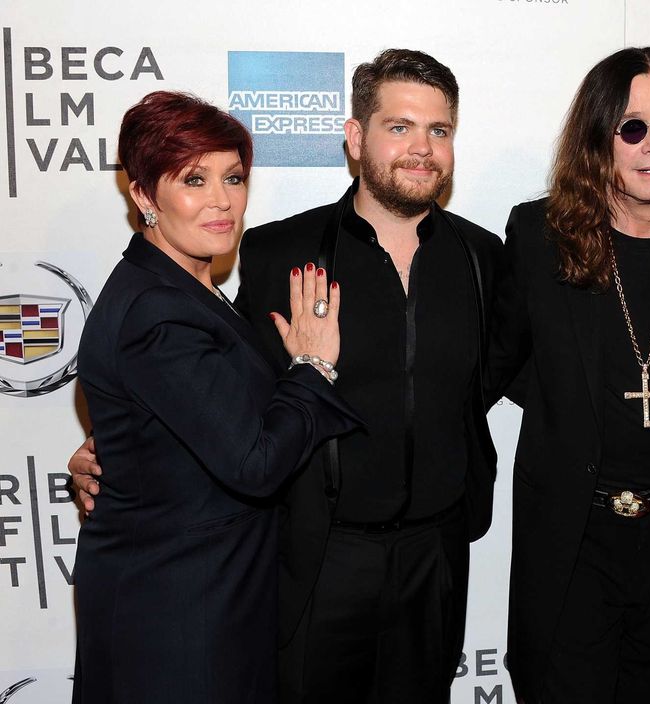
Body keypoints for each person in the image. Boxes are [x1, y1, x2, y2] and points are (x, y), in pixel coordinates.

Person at [71, 50, 502, 704]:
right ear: (356, 138)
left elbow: (511, 376)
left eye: (438, 131)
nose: (421, 148)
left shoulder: (482, 259)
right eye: (399, 127)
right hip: (312, 561)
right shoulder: (277, 253)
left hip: (434, 563)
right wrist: (109, 445)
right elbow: (227, 399)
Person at [71, 91, 360, 703]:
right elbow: (253, 463)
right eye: (193, 180)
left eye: (232, 177)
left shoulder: (185, 289)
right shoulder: (157, 311)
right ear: (144, 195)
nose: (222, 200)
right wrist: (311, 366)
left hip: (207, 595)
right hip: (178, 612)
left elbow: (186, 422)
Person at [487, 47, 650, 703]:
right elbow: (501, 362)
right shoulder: (538, 235)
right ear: (598, 138)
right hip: (576, 540)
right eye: (632, 127)